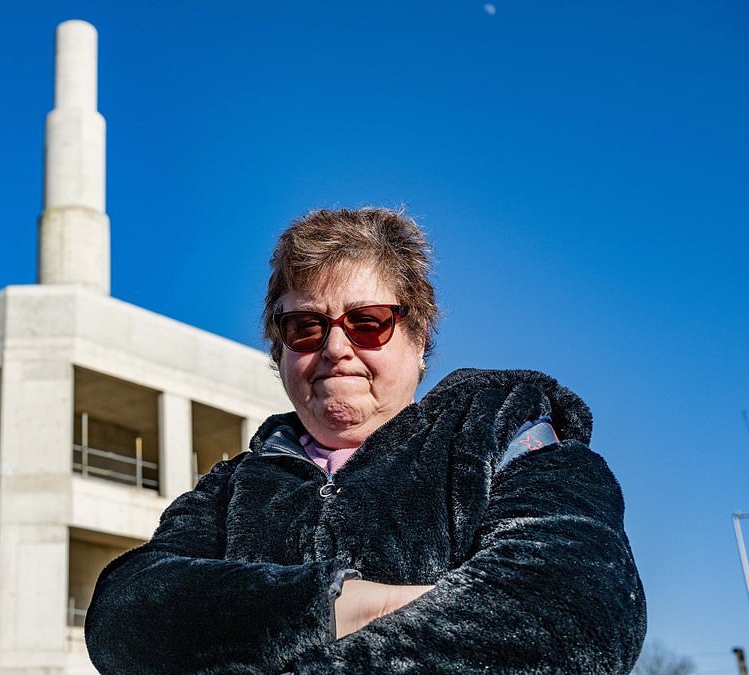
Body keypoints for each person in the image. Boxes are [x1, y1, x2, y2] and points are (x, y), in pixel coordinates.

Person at [84, 207, 646, 673]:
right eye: (305, 326)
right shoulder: (228, 490)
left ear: (418, 337)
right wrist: (340, 603)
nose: (334, 347)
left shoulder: (502, 433)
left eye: (368, 321)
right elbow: (125, 616)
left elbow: (575, 608)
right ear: (278, 351)